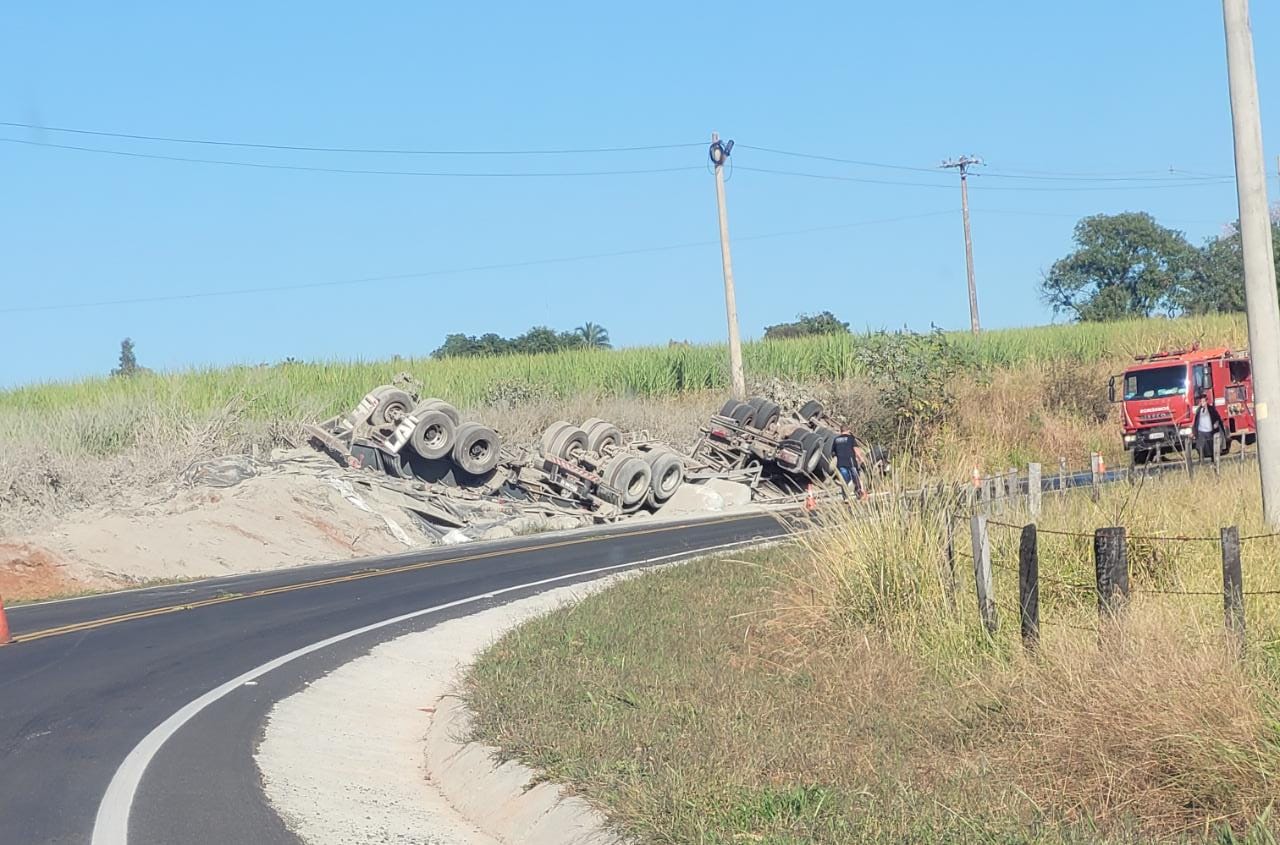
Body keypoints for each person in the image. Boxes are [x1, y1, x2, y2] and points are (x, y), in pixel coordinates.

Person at [831, 426, 868, 501]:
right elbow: (856, 450)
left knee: (845, 481)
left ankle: (846, 497)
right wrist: (862, 460)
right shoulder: (851, 438)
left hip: (841, 463)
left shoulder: (836, 439)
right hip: (851, 463)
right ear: (848, 431)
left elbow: (833, 453)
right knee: (856, 479)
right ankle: (859, 494)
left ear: (840, 431)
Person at [1192, 392, 1224, 462]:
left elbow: (1217, 418)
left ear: (1206, 401)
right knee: (1199, 446)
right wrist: (1194, 432)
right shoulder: (1199, 410)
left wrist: (1216, 423)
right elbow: (1196, 422)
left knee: (1211, 446)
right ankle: (1201, 460)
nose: (1202, 403)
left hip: (1209, 431)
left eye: (1203, 401)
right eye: (1201, 401)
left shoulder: (1211, 409)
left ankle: (1214, 460)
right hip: (1201, 431)